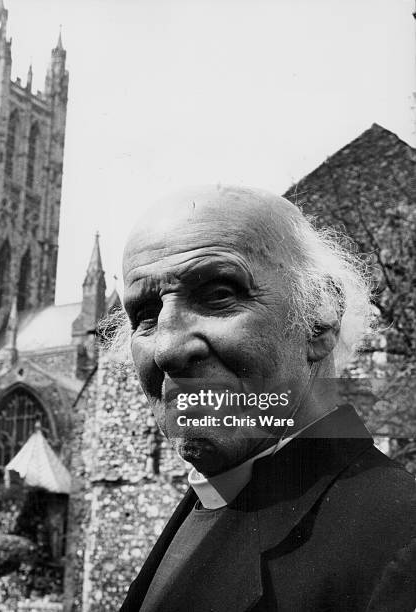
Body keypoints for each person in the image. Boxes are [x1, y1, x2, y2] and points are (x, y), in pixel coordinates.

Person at [118, 185, 416, 612]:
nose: (166, 349)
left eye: (218, 294)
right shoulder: (216, 496)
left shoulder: (401, 546)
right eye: (145, 315)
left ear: (319, 317)